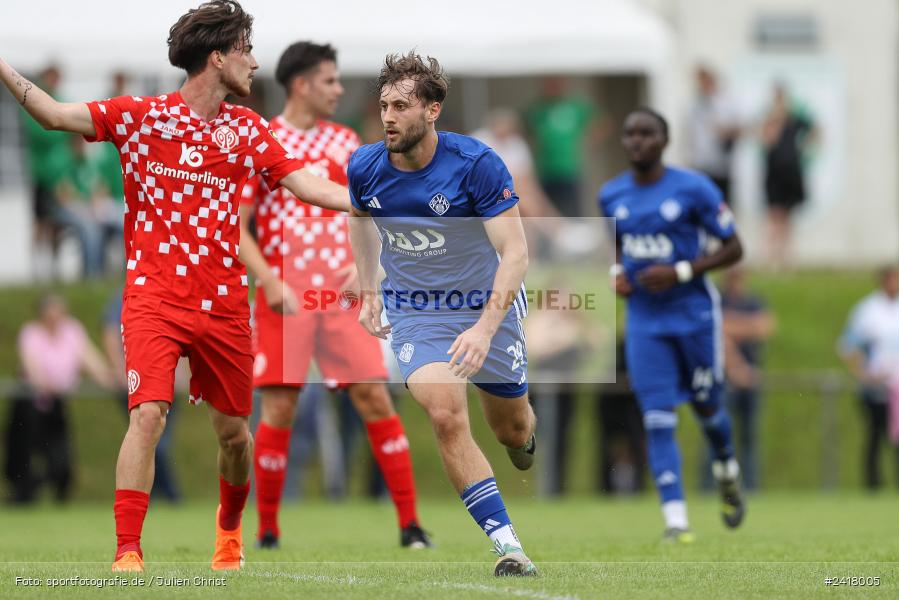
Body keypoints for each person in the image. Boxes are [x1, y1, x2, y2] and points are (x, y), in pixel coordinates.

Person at [0, 0, 350, 572]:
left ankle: (229, 534)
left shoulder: (248, 128)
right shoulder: (140, 116)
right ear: (218, 57)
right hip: (153, 298)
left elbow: (306, 185)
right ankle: (127, 552)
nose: (255, 63)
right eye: (245, 50)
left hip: (225, 306)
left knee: (235, 437)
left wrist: (369, 201)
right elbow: (52, 114)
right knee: (148, 415)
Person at [348, 52, 537, 576]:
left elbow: (516, 253)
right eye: (384, 104)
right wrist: (369, 290)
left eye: (402, 105)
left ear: (432, 110)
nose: (388, 115)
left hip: (485, 306)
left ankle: (523, 438)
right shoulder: (364, 166)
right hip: (416, 312)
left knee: (511, 429)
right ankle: (510, 548)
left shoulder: (476, 164)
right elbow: (359, 221)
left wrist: (484, 328)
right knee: (445, 414)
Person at [238, 41, 429, 549]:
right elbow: (236, 227)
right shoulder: (261, 140)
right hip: (286, 297)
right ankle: (268, 532)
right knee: (279, 409)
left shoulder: (347, 142)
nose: (339, 89)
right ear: (301, 84)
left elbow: (381, 208)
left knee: (373, 396)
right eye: (330, 80)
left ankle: (411, 525)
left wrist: (366, 265)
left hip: (344, 297)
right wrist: (269, 279)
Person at [598, 107, 746, 542]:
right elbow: (620, 250)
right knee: (658, 418)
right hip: (646, 321)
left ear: (665, 141)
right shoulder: (611, 195)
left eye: (647, 134)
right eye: (630, 134)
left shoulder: (694, 188)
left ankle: (727, 470)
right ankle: (676, 521)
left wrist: (681, 271)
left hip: (694, 315)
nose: (637, 141)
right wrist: (617, 276)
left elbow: (735, 248)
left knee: (706, 407)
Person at [9, 294, 113, 503]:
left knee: (61, 459)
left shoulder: (71, 331)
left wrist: (110, 378)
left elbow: (89, 358)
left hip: (56, 404)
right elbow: (32, 366)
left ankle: (59, 492)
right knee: (24, 457)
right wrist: (44, 382)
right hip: (30, 406)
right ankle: (23, 495)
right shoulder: (31, 333)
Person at [102, 288, 182, 502]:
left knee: (156, 439)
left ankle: (158, 493)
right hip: (140, 378)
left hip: (166, 381)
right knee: (148, 430)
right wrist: (121, 373)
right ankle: (167, 494)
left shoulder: (175, 290)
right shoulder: (123, 299)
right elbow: (111, 335)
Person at [839, 266, 899, 490]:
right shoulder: (868, 310)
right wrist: (864, 374)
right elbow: (847, 346)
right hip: (877, 388)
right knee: (875, 434)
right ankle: (873, 485)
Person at [526, 76, 607, 217]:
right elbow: (526, 129)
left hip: (570, 167)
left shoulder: (575, 106)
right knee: (547, 210)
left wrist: (589, 144)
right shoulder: (538, 108)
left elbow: (601, 123)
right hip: (545, 169)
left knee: (573, 209)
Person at [760, 84, 818, 270]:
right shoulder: (769, 120)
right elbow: (768, 140)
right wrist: (776, 122)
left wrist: (803, 148)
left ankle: (786, 258)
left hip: (791, 174)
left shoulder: (796, 121)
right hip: (774, 174)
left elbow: (815, 130)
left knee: (788, 217)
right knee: (774, 216)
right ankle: (772, 258)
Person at [687, 66, 740, 205]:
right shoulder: (693, 105)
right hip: (700, 164)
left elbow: (739, 128)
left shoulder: (725, 103)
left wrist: (724, 130)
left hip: (721, 166)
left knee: (721, 205)